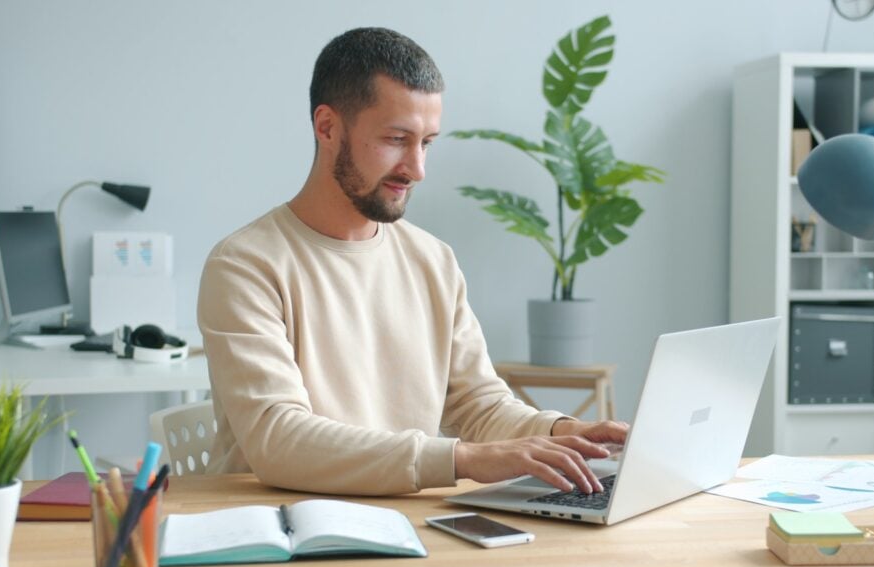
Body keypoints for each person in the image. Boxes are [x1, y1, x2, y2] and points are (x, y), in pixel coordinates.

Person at [197, 26, 628, 496]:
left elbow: (478, 405)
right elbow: (279, 438)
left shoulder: (432, 260)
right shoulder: (244, 265)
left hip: (402, 524)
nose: (416, 169)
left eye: (426, 142)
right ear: (327, 128)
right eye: (397, 139)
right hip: (282, 532)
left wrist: (561, 433)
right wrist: (462, 459)